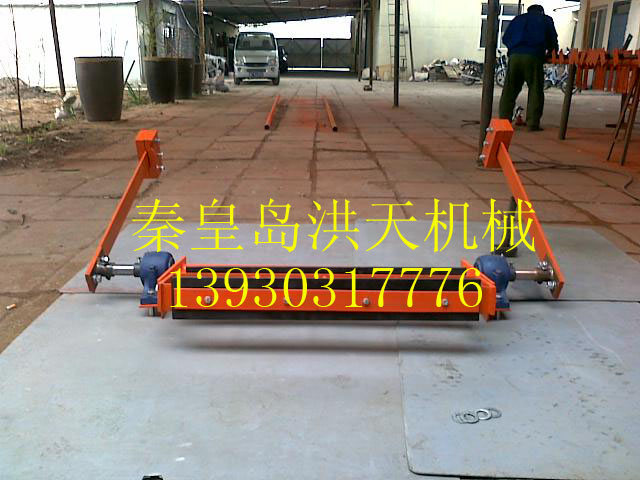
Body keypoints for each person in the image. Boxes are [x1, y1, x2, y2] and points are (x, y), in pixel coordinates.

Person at [498, 4, 558, 131]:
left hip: (514, 57)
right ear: (541, 11)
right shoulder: (545, 19)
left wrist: (514, 48)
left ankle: (503, 121)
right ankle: (532, 123)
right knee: (535, 90)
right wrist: (551, 53)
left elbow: (506, 38)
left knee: (509, 90)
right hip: (533, 57)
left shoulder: (518, 19)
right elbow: (553, 40)